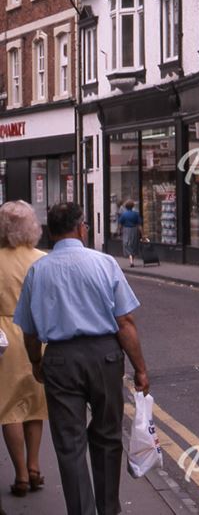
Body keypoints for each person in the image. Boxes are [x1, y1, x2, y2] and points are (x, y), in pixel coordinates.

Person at [14, 202, 150, 515]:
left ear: (51, 231)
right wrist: (140, 369)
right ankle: (108, 509)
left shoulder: (38, 270)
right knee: (107, 436)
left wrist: (37, 362)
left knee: (69, 443)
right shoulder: (104, 263)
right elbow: (125, 323)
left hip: (60, 359)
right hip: (104, 356)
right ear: (81, 227)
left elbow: (31, 332)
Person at [0, 201, 48, 500]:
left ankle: (18, 474)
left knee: (8, 409)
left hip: (3, 339)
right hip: (36, 336)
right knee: (35, 405)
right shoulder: (41, 260)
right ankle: (34, 467)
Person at [117, 200, 142, 267]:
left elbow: (120, 224)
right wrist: (142, 233)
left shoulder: (124, 214)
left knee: (126, 244)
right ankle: (132, 260)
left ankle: (131, 260)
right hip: (134, 230)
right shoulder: (136, 214)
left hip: (126, 230)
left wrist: (119, 231)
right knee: (133, 244)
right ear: (132, 206)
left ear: (126, 207)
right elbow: (139, 225)